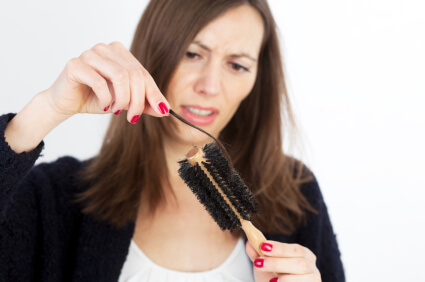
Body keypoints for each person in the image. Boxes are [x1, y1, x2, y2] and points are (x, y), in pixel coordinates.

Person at [0, 0, 345, 281]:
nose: (209, 86)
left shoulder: (297, 196)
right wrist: (43, 111)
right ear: (152, 55)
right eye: (193, 54)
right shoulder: (55, 197)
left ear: (257, 80)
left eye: (237, 65)